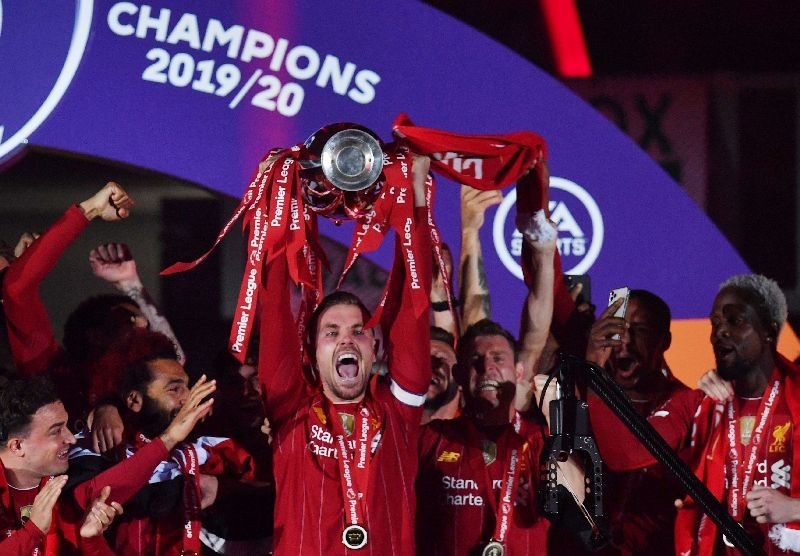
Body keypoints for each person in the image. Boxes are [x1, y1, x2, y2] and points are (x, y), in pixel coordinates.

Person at [259, 155, 432, 554]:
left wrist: (415, 195)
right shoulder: (290, 411)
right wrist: (282, 200)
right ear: (311, 351)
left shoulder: (398, 412)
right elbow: (274, 311)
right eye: (331, 333)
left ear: (378, 347)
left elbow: (413, 308)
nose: (347, 341)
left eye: (359, 331)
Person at [416, 213, 592, 555]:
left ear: (520, 372)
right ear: (459, 377)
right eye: (476, 363)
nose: (488, 370)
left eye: (499, 359)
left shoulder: (538, 442)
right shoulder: (433, 439)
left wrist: (544, 254)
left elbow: (580, 500)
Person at [67, 328, 259, 556]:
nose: (187, 397)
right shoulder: (100, 446)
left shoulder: (208, 447)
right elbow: (91, 497)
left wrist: (223, 489)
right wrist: (167, 440)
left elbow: (270, 495)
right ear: (134, 400)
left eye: (187, 386)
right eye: (174, 389)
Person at [675, 274, 800, 555]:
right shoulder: (710, 405)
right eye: (716, 323)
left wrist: (793, 508)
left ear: (769, 330)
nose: (720, 331)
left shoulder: (795, 399)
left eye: (735, 320)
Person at [584, 290, 703, 555]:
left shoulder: (686, 404)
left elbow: (623, 454)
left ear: (665, 341)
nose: (625, 340)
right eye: (615, 329)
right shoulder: (580, 393)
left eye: (640, 329)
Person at [0, 375, 125, 554]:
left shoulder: (64, 488)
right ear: (18, 446)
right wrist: (32, 532)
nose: (71, 438)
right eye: (56, 431)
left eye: (66, 427)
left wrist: (91, 539)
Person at [422, 326, 461, 425]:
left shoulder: (473, 436)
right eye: (420, 359)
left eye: (439, 358)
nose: (428, 367)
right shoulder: (381, 420)